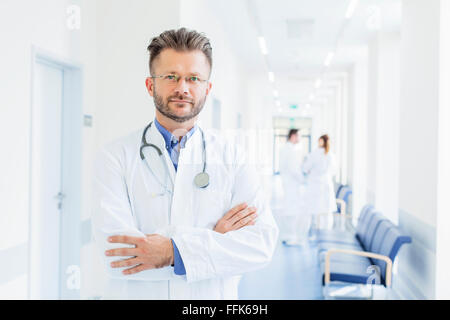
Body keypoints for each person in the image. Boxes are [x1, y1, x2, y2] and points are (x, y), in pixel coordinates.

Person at [91, 27, 278, 299]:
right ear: (150, 84)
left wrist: (171, 251)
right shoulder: (114, 157)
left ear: (207, 88)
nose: (182, 88)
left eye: (193, 78)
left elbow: (261, 245)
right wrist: (214, 240)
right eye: (171, 77)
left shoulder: (232, 157)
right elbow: (118, 258)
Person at [302, 134, 338, 239]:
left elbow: (305, 167)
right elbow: (333, 171)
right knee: (326, 211)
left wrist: (309, 170)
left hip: (315, 185)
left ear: (322, 141)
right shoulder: (330, 155)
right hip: (326, 184)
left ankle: (314, 234)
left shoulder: (315, 153)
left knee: (315, 210)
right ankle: (326, 233)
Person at [277, 129, 309, 245]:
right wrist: (303, 180)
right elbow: (294, 169)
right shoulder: (291, 150)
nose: (299, 138)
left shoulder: (286, 148)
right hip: (292, 183)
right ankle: (291, 237)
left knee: (290, 207)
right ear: (293, 136)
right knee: (292, 209)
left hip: (289, 183)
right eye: (298, 136)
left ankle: (289, 235)